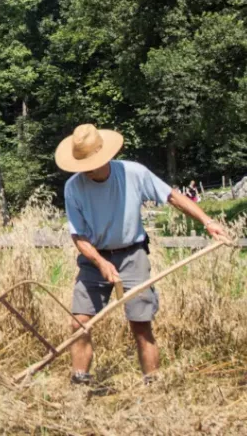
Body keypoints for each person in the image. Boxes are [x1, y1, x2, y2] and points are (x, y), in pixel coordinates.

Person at [55, 124, 228, 385]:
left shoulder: (133, 173)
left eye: (91, 163)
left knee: (140, 323)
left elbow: (171, 196)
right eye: (82, 165)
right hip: (94, 259)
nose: (86, 170)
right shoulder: (73, 187)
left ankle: (152, 384)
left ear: (105, 156)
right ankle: (79, 384)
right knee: (79, 323)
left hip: (132, 255)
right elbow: (78, 235)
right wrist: (100, 262)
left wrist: (207, 221)